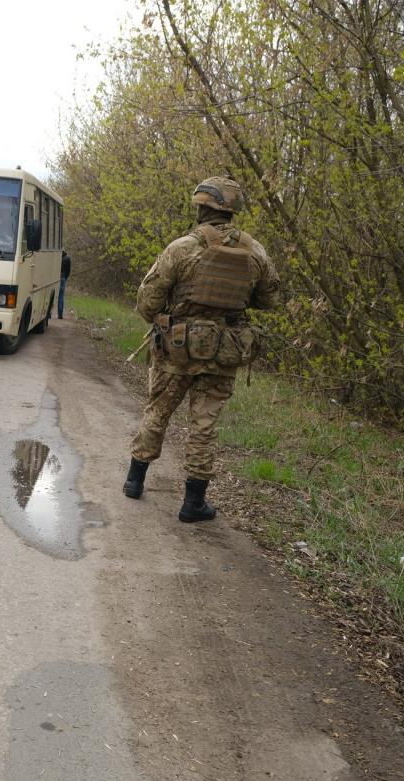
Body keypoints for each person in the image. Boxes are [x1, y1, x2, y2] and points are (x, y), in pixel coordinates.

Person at [122, 176, 280, 522]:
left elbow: (147, 302)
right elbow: (269, 299)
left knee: (158, 411)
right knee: (203, 426)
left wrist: (171, 318)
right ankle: (192, 503)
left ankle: (134, 481)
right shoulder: (255, 252)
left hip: (176, 349)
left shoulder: (181, 248)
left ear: (201, 207)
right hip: (223, 350)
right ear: (232, 211)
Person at [59, 250, 71, 318]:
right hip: (63, 277)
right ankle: (60, 314)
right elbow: (68, 270)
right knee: (61, 296)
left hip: (55, 278)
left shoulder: (57, 257)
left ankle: (49, 314)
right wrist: (65, 278)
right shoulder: (67, 258)